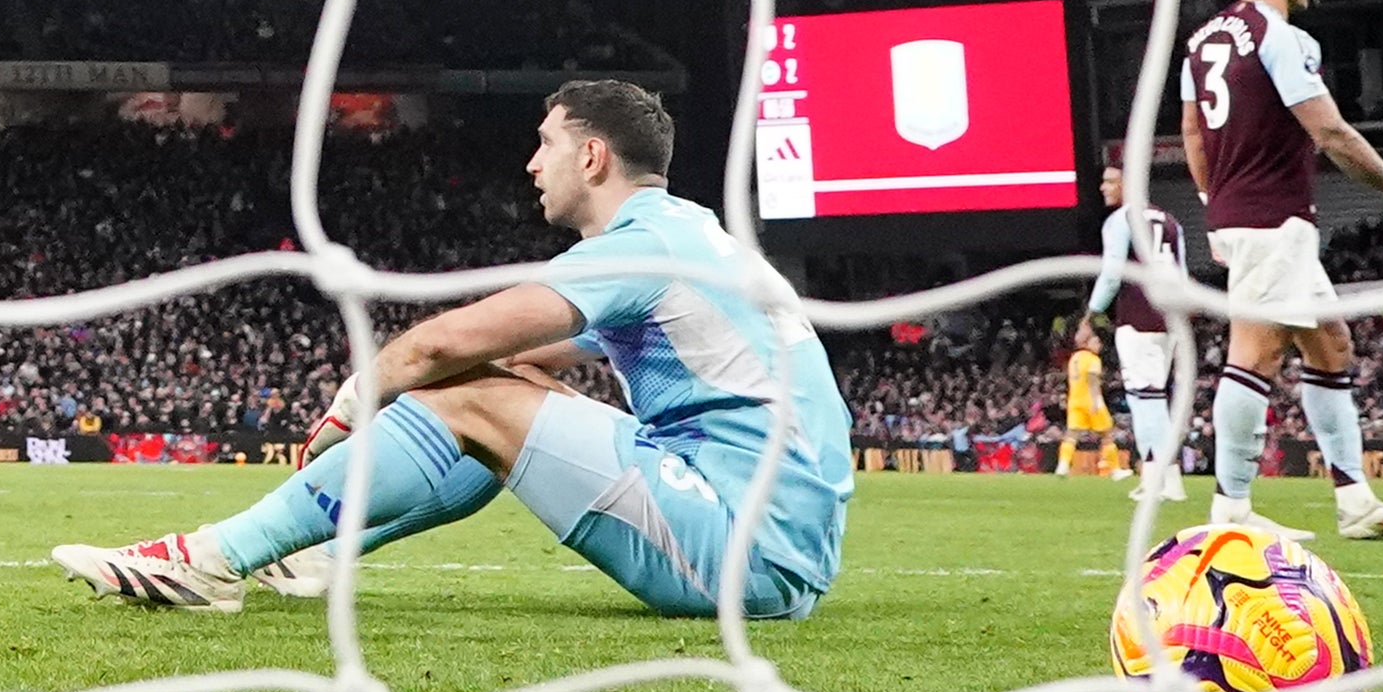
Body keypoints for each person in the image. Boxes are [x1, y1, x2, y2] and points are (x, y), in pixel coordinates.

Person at [51, 80, 852, 619]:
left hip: (744, 550)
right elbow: (514, 364)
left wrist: (352, 405)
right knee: (492, 387)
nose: (533, 163)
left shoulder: (639, 248)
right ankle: (315, 553)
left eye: (545, 144)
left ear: (593, 156)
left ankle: (210, 562)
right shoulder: (693, 236)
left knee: (471, 384)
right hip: (773, 543)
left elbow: (445, 342)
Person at [1181, 0, 1383, 542]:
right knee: (1255, 353)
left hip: (1246, 213)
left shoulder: (1201, 42)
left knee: (1330, 344)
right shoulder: (1282, 38)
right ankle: (1230, 510)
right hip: (1271, 216)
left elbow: (1194, 135)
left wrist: (1213, 204)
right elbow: (1329, 133)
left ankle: (1355, 502)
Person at [1077, 163, 1188, 502]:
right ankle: (1169, 479)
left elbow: (1111, 273)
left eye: (1111, 181)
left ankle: (1156, 477)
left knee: (1145, 398)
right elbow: (1182, 274)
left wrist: (1090, 315)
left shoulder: (1121, 219)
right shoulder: (1171, 221)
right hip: (1170, 317)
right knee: (1156, 397)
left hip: (1139, 314)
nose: (1103, 187)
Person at [1058, 325, 1126, 481]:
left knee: (1071, 434)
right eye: (1096, 342)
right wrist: (1096, 400)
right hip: (1090, 400)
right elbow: (1092, 380)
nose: (1099, 345)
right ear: (1087, 343)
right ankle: (1115, 470)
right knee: (1107, 435)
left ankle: (1062, 465)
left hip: (1075, 400)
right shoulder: (1093, 359)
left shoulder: (1074, 358)